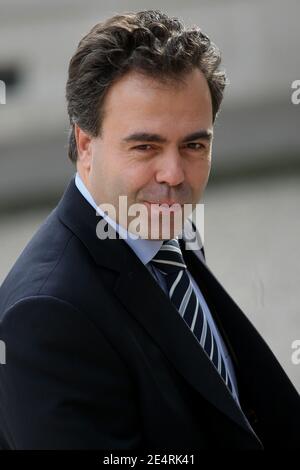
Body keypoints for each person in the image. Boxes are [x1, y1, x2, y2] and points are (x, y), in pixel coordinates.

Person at [0, 10, 299, 450]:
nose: (175, 174)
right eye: (146, 146)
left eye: (194, 145)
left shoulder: (157, 234)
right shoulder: (44, 317)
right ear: (85, 144)